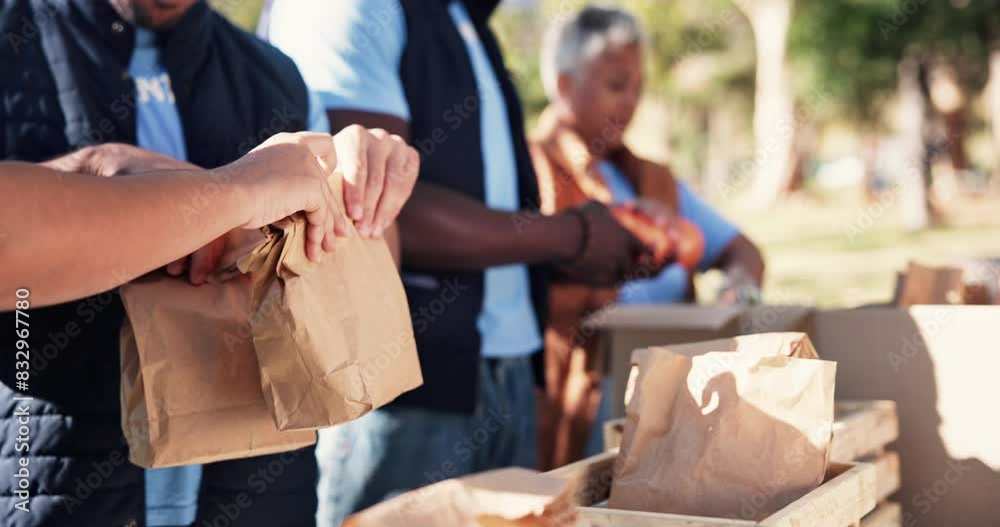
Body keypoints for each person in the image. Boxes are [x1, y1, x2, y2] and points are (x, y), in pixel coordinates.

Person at [0, 1, 418, 525]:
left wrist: (363, 187)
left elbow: (363, 287)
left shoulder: (277, 75)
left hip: (262, 496)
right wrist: (212, 194)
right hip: (46, 490)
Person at [263, 1, 658, 523]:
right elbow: (368, 206)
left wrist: (586, 255)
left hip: (505, 372)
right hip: (403, 383)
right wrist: (573, 234)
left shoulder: (464, 18)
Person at [530, 6, 767, 470]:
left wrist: (741, 286)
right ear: (563, 85)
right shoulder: (530, 170)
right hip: (580, 417)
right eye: (616, 86)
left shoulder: (651, 178)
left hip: (673, 404)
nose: (630, 102)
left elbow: (742, 250)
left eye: (638, 87)